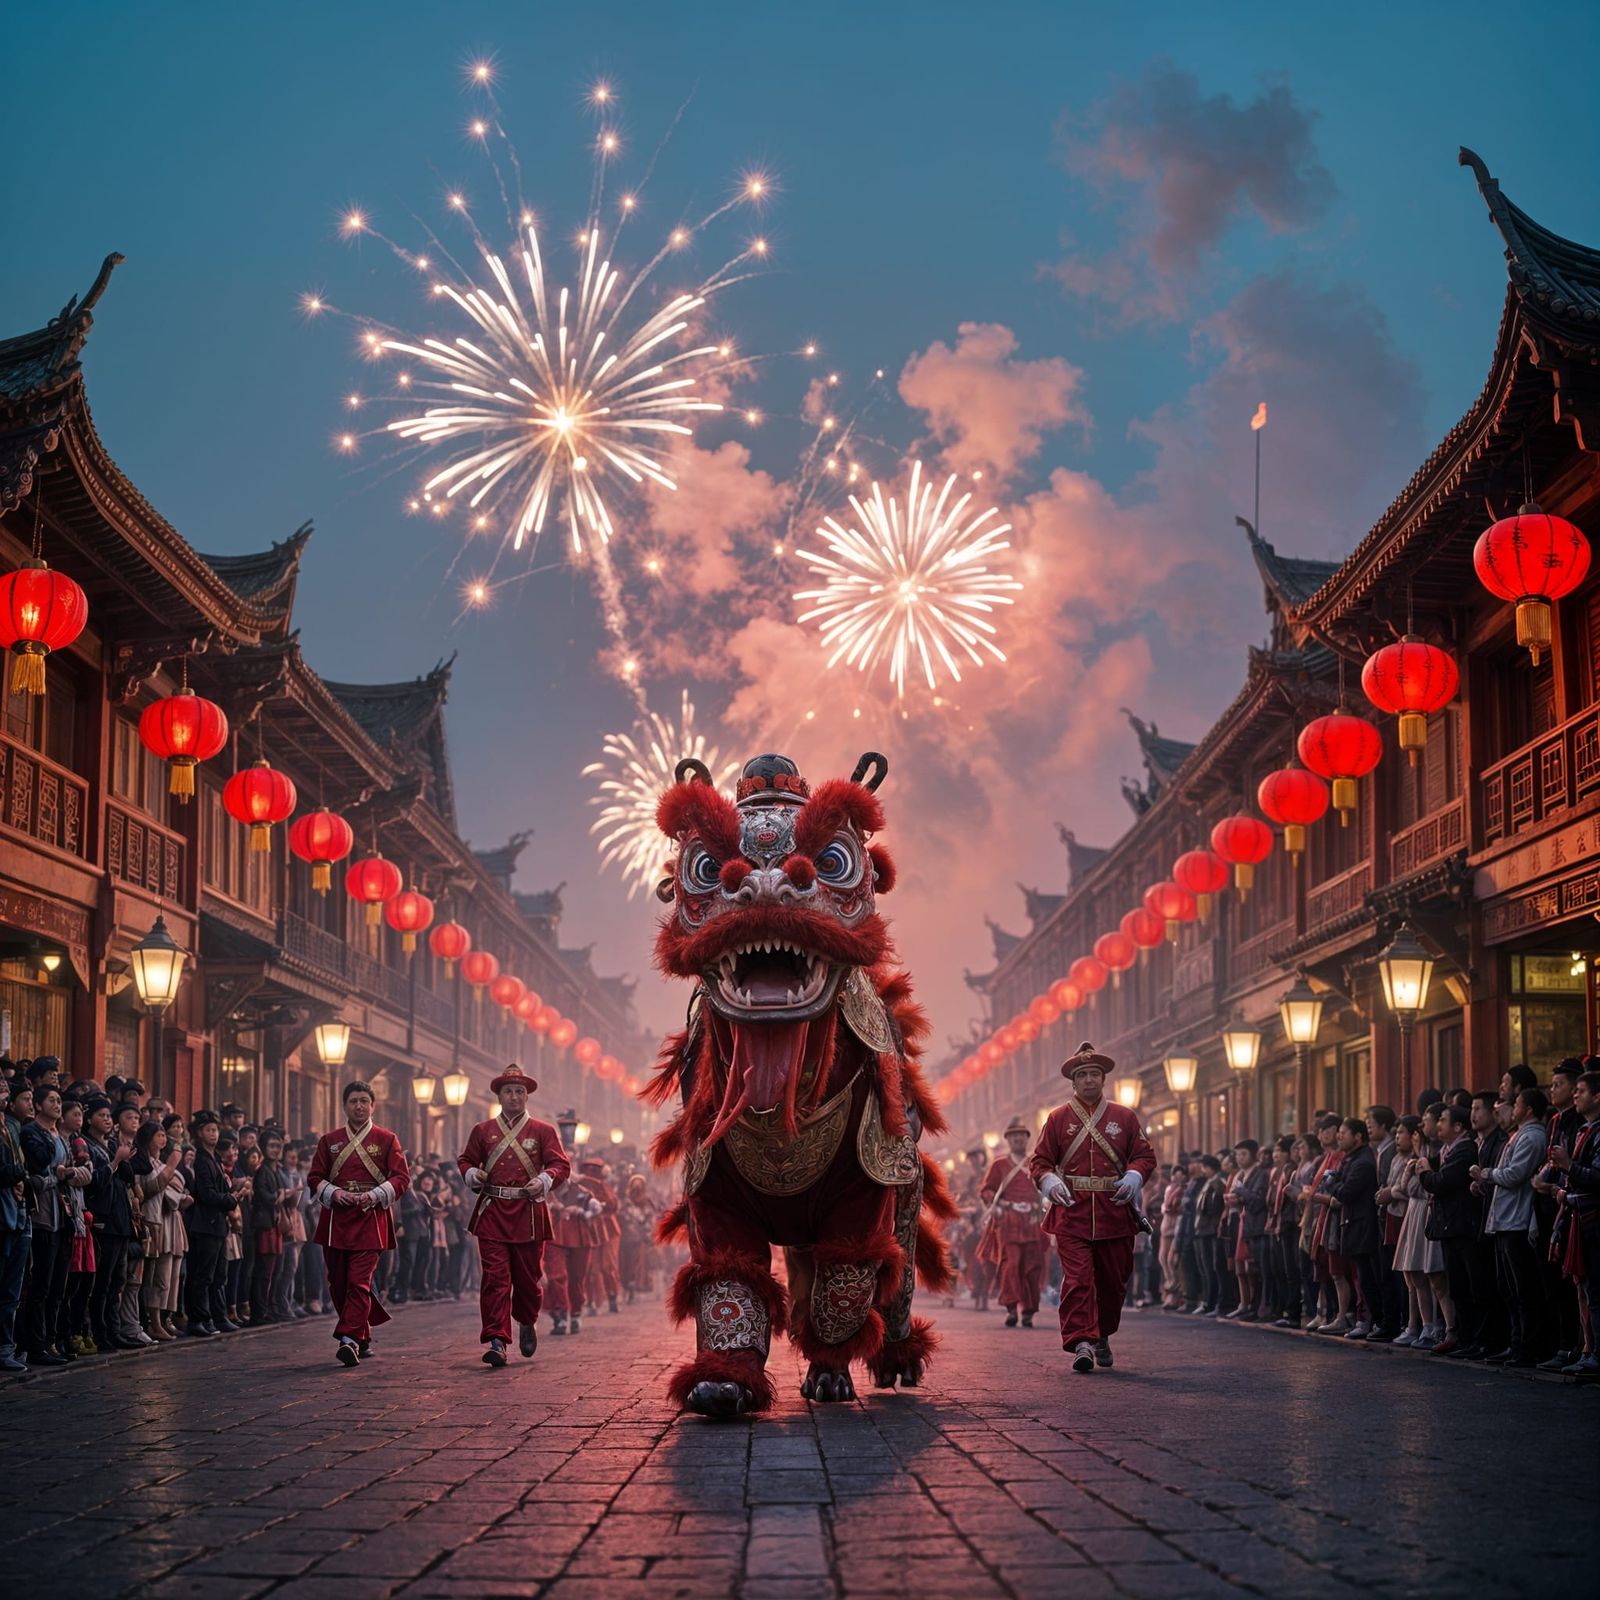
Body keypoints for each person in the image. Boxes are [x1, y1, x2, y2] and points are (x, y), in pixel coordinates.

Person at [1031, 1042, 1157, 1372]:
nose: (1089, 1080)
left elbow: (1145, 1155)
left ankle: (1102, 1335)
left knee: (1113, 1283)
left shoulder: (1125, 1117)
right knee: (1078, 1279)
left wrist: (1134, 1175)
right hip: (1071, 1211)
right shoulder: (1057, 1119)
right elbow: (1041, 1161)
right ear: (1073, 1083)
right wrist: (1048, 1180)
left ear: (1104, 1080)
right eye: (1082, 1075)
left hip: (1114, 1211)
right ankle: (1081, 1341)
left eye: (1094, 1074)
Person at [458, 1064, 571, 1366]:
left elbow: (561, 1165)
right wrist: (472, 1174)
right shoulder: (482, 1131)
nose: (514, 1096)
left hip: (528, 1213)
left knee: (528, 1280)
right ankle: (497, 1340)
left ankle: (526, 1320)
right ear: (499, 1096)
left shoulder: (544, 1131)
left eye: (519, 1091)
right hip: (493, 1211)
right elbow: (466, 1160)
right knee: (495, 1279)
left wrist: (545, 1179)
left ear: (526, 1096)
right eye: (508, 1091)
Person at [307, 1080, 411, 1367]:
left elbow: (402, 1178)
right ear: (345, 1105)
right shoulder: (329, 1140)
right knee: (338, 1283)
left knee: (359, 1282)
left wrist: (376, 1194)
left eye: (364, 1100)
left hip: (370, 1218)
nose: (359, 1106)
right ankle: (362, 1334)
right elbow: (315, 1178)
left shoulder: (387, 1139)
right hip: (336, 1220)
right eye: (353, 1101)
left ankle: (349, 1340)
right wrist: (334, 1192)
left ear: (373, 1105)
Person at [1472, 1085, 1550, 1366]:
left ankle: (1527, 1348)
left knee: (1523, 1290)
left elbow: (1516, 1174)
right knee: (1507, 1289)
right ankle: (1515, 1343)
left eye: (1515, 1103)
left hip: (1516, 1221)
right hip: (1504, 1220)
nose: (1511, 1108)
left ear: (1528, 1109)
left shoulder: (1532, 1136)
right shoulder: (1518, 1135)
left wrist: (1487, 1173)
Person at [1547, 1068, 1600, 1375]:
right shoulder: (1583, 1130)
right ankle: (1588, 1349)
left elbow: (1596, 1179)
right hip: (1579, 1217)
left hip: (1592, 1219)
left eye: (1581, 1090)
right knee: (1585, 1288)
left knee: (1595, 1291)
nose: (1576, 1095)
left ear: (1597, 1096)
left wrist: (1568, 1167)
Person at [981, 1118, 1047, 1329]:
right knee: (1011, 1265)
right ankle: (1011, 1309)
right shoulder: (999, 1164)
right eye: (1013, 1135)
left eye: (1022, 1135)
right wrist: (995, 1205)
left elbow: (1046, 1186)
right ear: (1008, 1140)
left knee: (1032, 1266)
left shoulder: (1036, 1163)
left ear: (1027, 1139)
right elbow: (987, 1189)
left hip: (1032, 1220)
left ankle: (1028, 1311)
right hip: (1009, 1221)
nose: (1018, 1138)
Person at [0, 1081, 30, 1371]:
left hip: (19, 1213)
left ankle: (6, 1347)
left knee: (13, 1289)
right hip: (4, 1211)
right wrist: (18, 1173)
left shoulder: (12, 1126)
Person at [1227, 1140, 1269, 1321]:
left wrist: (1241, 1192)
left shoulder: (1260, 1174)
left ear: (1253, 1155)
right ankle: (1250, 1305)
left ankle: (1259, 1307)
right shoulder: (1240, 1175)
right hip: (1245, 1224)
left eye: (1243, 1154)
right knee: (1247, 1268)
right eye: (1237, 1154)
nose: (1239, 1158)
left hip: (1258, 1226)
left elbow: (1258, 1200)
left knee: (1259, 1270)